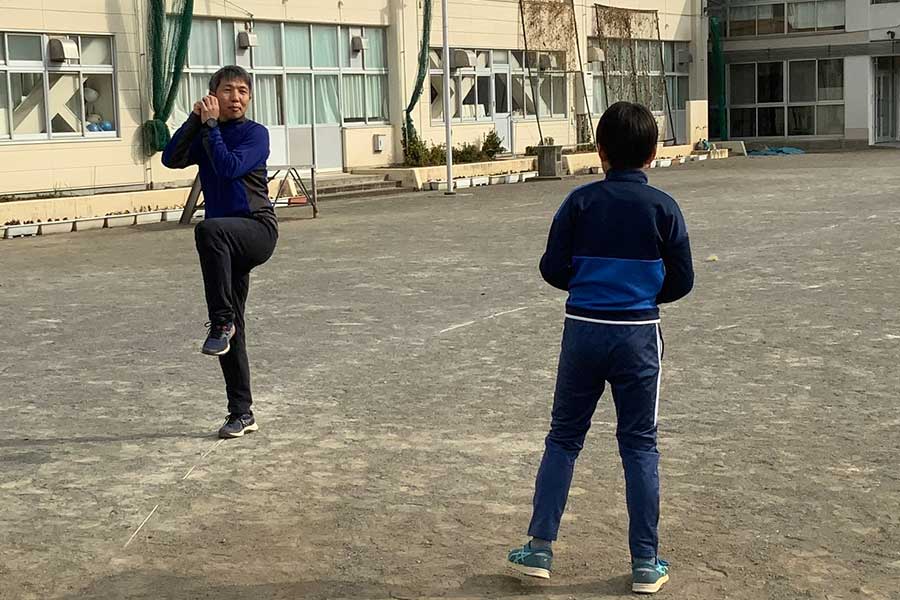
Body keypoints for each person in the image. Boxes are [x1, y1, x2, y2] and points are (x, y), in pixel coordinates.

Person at [505, 102, 694, 594]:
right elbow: (683, 280)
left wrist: (585, 285)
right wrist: (646, 296)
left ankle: (539, 548)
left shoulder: (580, 202)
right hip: (637, 334)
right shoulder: (664, 208)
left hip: (583, 329)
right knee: (640, 443)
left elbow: (552, 267)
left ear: (600, 151)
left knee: (564, 438)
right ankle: (646, 561)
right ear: (653, 154)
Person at [162, 65, 278, 439]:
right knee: (234, 334)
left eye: (243, 91)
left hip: (257, 230)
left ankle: (221, 321)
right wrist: (195, 121)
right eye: (228, 91)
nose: (236, 98)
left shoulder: (255, 134)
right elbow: (171, 157)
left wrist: (211, 130)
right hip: (224, 244)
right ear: (213, 96)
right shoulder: (207, 132)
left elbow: (228, 168)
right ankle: (241, 413)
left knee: (208, 229)